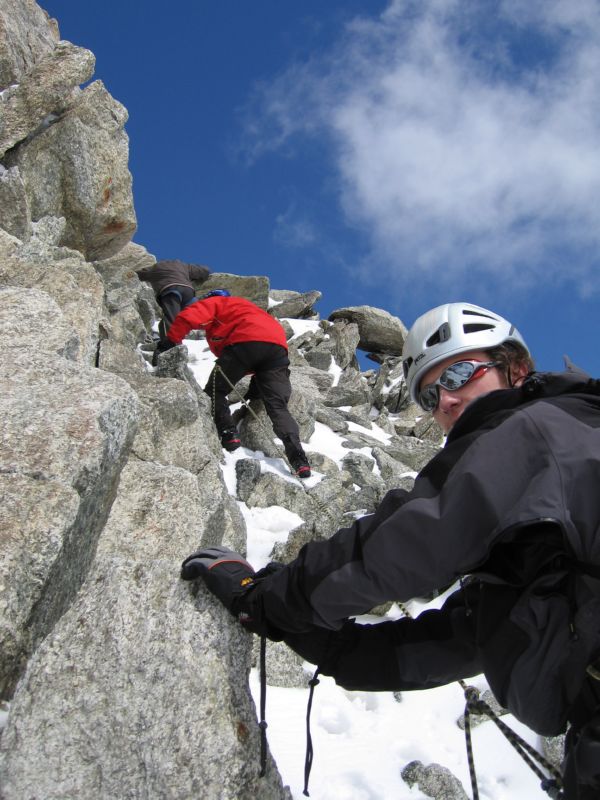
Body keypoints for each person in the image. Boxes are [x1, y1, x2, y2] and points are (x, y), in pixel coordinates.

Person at [180, 302, 600, 798]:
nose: (445, 400)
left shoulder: (537, 430)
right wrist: (338, 651)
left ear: (517, 369)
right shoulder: (541, 513)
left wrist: (268, 599)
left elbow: (414, 537)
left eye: (461, 372)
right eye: (428, 394)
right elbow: (464, 638)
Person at [164, 289, 311, 478]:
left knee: (215, 390)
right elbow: (261, 350)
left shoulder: (219, 303)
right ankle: (299, 460)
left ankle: (228, 434)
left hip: (245, 341)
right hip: (277, 350)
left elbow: (188, 316)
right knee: (278, 407)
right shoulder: (252, 310)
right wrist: (257, 385)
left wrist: (170, 341)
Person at [136, 258, 210, 365]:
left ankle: (169, 348)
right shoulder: (183, 265)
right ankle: (202, 335)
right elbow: (204, 270)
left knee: (171, 320)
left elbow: (137, 275)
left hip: (170, 290)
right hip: (188, 292)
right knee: (194, 317)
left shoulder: (153, 269)